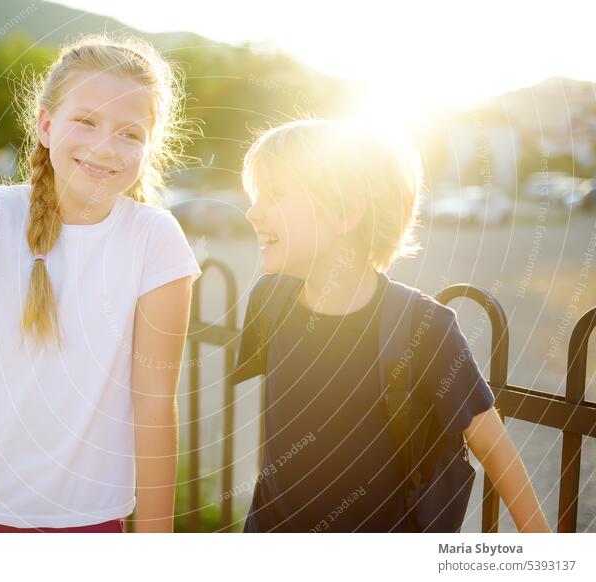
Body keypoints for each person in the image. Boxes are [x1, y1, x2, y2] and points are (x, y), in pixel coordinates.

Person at [0, 34, 201, 533]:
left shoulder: (156, 240)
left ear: (150, 145)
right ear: (46, 125)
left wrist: (156, 541)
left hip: (83, 520)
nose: (105, 147)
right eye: (85, 121)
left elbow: (155, 398)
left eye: (130, 133)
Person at [236, 118, 550, 532]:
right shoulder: (268, 300)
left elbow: (493, 447)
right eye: (256, 195)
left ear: (346, 212)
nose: (253, 212)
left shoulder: (423, 327)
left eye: (275, 195)